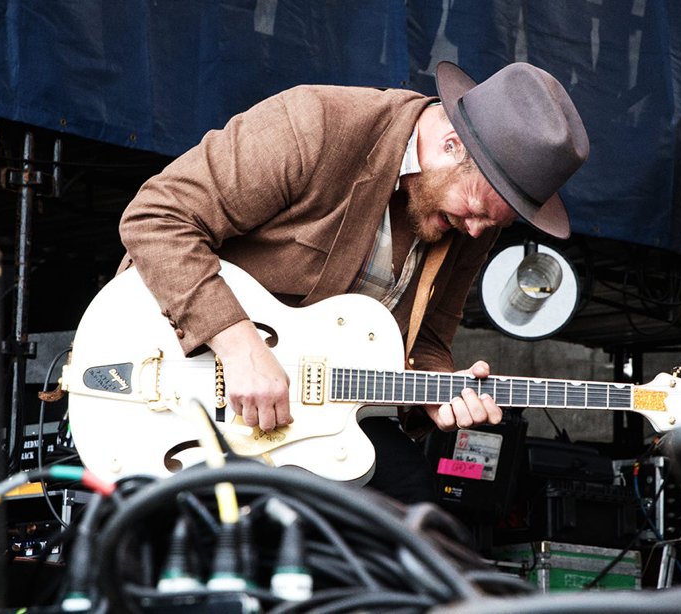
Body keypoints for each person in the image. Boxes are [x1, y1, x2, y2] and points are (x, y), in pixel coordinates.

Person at [116, 61, 589, 503]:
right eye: (478, 209)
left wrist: (441, 391)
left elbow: (425, 342)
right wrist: (241, 348)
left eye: (495, 224)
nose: (476, 232)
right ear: (452, 145)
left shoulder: (472, 222)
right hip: (180, 376)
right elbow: (156, 217)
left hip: (318, 417)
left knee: (413, 511)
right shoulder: (316, 123)